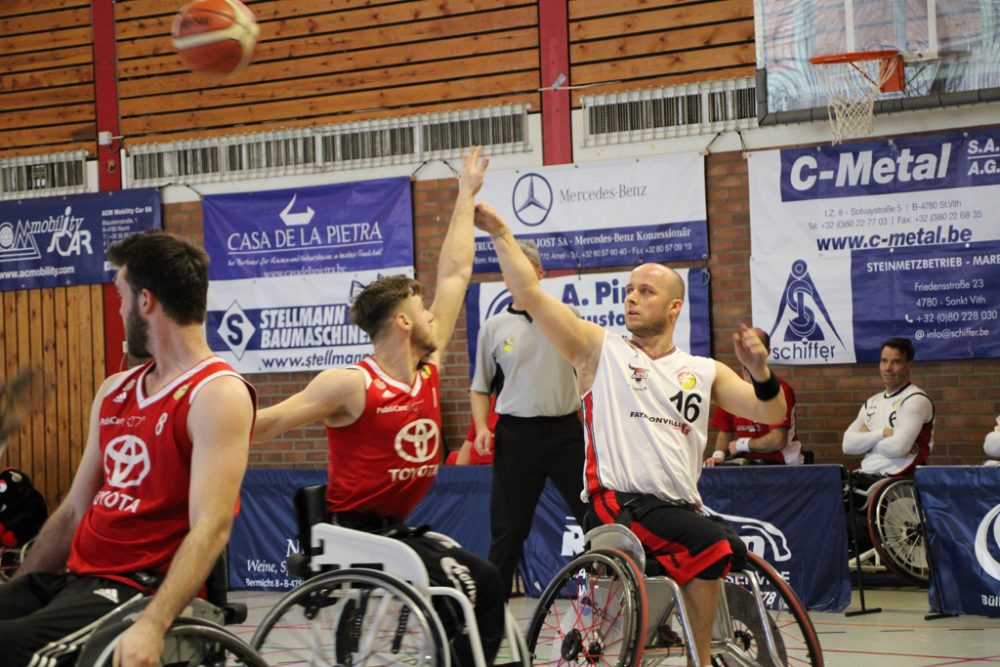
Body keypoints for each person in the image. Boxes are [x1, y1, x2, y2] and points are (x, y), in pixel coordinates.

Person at [473, 203, 786, 667]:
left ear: (675, 306)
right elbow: (531, 295)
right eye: (629, 290)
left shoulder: (703, 370)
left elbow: (770, 410)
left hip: (679, 505)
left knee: (732, 546)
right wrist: (500, 233)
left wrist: (760, 370)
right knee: (709, 544)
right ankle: (700, 659)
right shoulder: (600, 350)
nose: (632, 298)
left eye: (646, 291)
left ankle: (675, 629)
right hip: (619, 503)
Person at [251, 148, 503, 667]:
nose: (434, 315)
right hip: (353, 530)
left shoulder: (426, 369)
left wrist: (464, 195)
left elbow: (455, 272)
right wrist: (196, 428)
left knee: (486, 581)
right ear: (403, 323)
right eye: (421, 309)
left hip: (396, 525)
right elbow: (271, 421)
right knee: (473, 587)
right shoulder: (350, 383)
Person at [0, 230, 256, 667]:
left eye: (120, 297)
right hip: (75, 582)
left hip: (137, 590)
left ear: (146, 302)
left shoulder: (217, 395)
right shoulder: (114, 391)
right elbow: (73, 513)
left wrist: (153, 625)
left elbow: (211, 527)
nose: (119, 310)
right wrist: (20, 592)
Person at [470, 239, 587, 599]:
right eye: (508, 270)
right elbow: (480, 387)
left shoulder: (566, 316)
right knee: (508, 529)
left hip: (566, 432)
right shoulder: (493, 327)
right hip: (516, 436)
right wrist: (480, 428)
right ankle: (492, 614)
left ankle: (612, 592)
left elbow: (586, 370)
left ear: (538, 273)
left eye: (522, 269)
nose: (514, 276)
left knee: (594, 516)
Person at [704, 328, 802, 466]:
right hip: (747, 467)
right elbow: (725, 432)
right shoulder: (730, 386)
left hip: (782, 467)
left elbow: (778, 440)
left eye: (756, 346)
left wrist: (741, 444)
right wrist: (718, 455)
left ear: (767, 352)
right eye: (745, 345)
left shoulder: (780, 389)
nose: (749, 350)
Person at [842, 337, 934, 477]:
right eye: (884, 361)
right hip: (866, 473)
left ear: (909, 365)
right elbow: (847, 446)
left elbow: (898, 448)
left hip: (898, 479)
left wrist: (866, 442)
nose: (888, 368)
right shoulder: (871, 402)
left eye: (895, 362)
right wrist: (882, 433)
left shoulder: (915, 399)